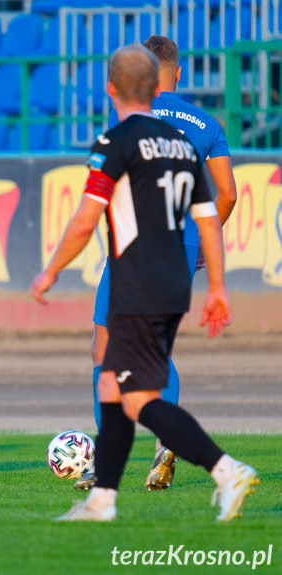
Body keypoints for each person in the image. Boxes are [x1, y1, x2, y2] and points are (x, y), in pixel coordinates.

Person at [31, 45, 258, 521]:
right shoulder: (183, 143)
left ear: (111, 89)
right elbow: (214, 214)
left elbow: (84, 219)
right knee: (118, 381)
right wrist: (215, 284)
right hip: (175, 273)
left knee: (129, 386)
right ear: (160, 82)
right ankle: (103, 498)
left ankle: (224, 469)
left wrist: (51, 270)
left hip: (134, 273)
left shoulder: (118, 140)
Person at [79, 35, 239, 492]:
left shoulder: (131, 117)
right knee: (156, 349)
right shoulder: (206, 122)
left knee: (104, 346)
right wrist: (204, 246)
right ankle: (166, 442)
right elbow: (226, 193)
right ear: (179, 73)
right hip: (182, 246)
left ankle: (104, 460)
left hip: (134, 246)